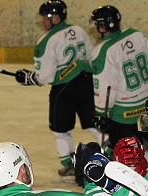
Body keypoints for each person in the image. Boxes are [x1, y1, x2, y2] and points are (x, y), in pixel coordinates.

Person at [14, 0, 101, 179]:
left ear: (55, 17)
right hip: (87, 83)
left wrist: (30, 78)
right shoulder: (79, 30)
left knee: (60, 130)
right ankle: (108, 155)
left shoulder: (45, 41)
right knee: (95, 124)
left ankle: (68, 164)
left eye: (46, 18)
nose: (44, 22)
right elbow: (92, 56)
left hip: (64, 90)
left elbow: (44, 75)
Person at [89, 5, 148, 155]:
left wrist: (101, 114)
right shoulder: (136, 35)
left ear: (103, 26)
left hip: (124, 114)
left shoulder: (103, 50)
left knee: (125, 152)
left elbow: (106, 87)